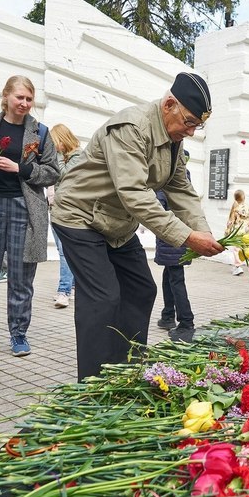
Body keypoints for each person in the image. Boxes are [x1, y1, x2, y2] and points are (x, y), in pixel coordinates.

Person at [51, 72, 224, 381]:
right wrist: (186, 237)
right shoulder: (132, 128)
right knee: (103, 297)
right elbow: (135, 195)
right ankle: (93, 386)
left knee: (142, 289)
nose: (191, 132)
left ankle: (127, 370)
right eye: (188, 122)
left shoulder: (173, 140)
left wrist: (203, 231)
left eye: (196, 125)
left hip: (114, 224)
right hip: (81, 217)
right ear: (169, 104)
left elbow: (181, 190)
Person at [0, 75, 60, 357]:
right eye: (20, 97)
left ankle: (18, 333)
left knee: (21, 276)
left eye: (29, 99)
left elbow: (53, 171)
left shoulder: (40, 132)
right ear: (6, 96)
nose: (25, 103)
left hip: (24, 208)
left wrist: (22, 169)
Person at [48, 123, 82, 308]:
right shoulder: (64, 156)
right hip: (56, 209)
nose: (53, 147)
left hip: (70, 211)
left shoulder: (78, 155)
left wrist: (58, 157)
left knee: (64, 252)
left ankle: (64, 291)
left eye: (55, 143)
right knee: (66, 252)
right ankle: (75, 287)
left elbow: (64, 175)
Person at [155, 189, 195, 342]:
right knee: (169, 276)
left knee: (176, 280)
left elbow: (157, 213)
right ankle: (167, 315)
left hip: (171, 240)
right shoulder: (185, 186)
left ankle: (186, 322)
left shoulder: (165, 184)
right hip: (182, 240)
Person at [227, 189, 249, 276]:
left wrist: (227, 232)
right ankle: (246, 262)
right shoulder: (248, 207)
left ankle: (237, 267)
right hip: (246, 232)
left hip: (237, 232)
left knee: (236, 250)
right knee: (244, 248)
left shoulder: (235, 208)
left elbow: (231, 221)